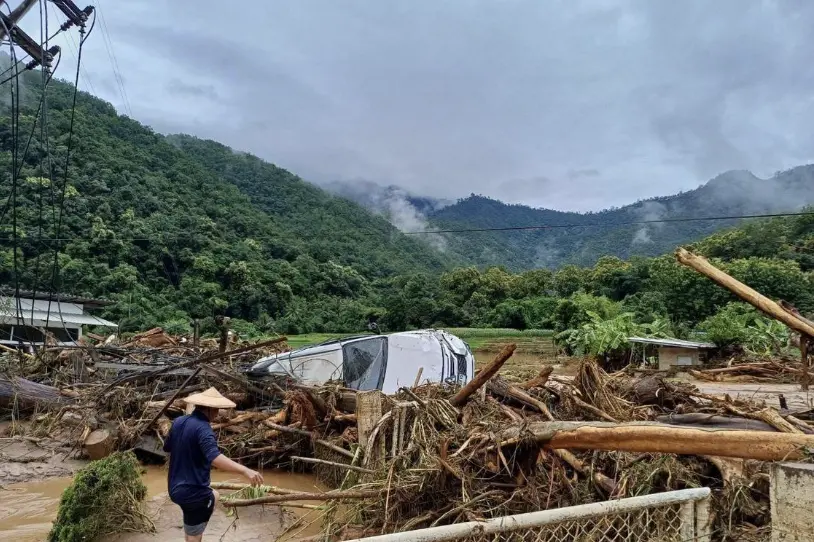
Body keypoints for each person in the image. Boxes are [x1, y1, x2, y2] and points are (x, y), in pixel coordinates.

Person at [163, 387, 264, 541]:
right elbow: (215, 458)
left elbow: (167, 447)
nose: (217, 414)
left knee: (206, 505)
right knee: (209, 503)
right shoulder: (204, 429)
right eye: (217, 410)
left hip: (174, 489)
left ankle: (193, 530)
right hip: (193, 493)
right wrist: (245, 470)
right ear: (210, 409)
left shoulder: (178, 422)